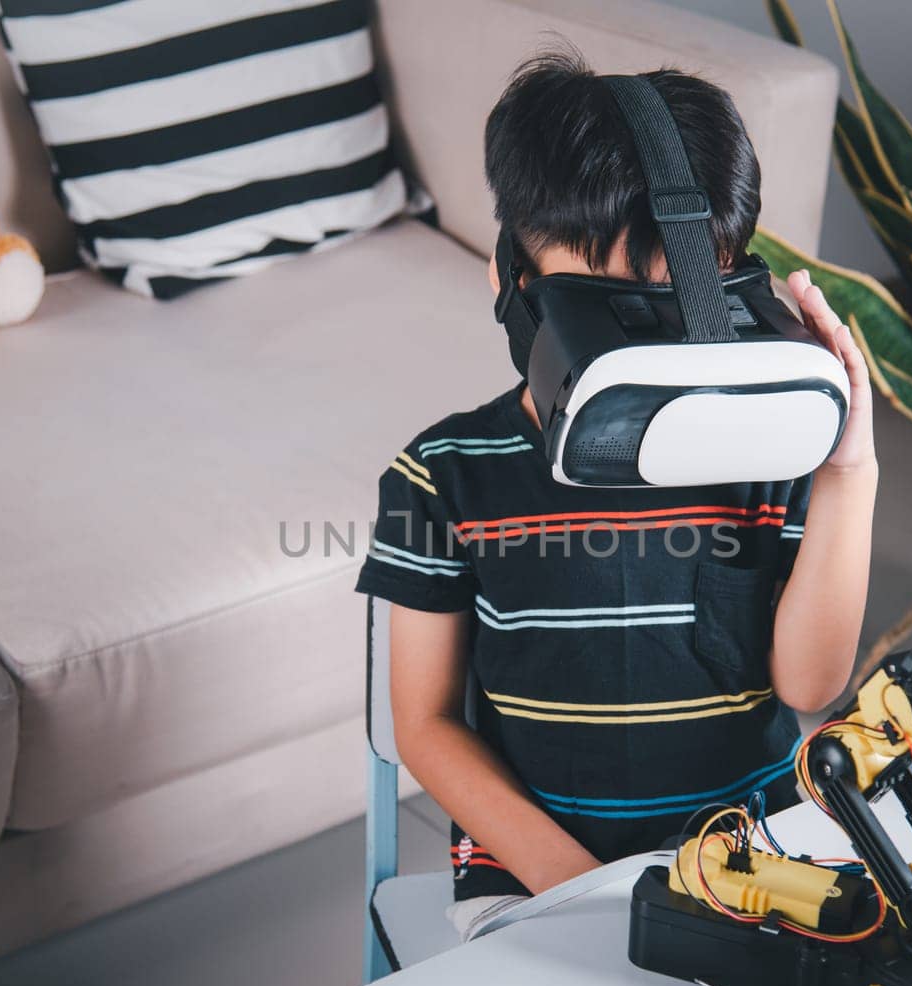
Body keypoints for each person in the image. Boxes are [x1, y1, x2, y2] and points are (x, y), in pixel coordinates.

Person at [354, 49, 876, 938]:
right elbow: (427, 724)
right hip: (533, 870)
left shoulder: (768, 457)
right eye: (603, 312)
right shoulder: (444, 475)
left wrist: (846, 469)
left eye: (676, 309)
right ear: (509, 280)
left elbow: (812, 683)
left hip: (752, 855)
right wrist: (584, 886)